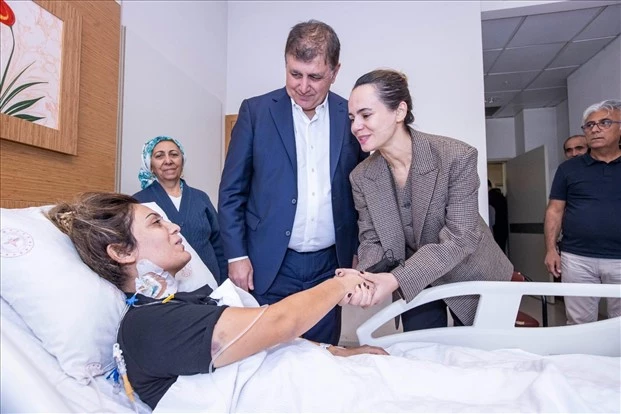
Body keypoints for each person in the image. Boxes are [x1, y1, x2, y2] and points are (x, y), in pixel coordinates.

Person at [47, 192, 386, 410]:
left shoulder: (183, 301)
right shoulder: (146, 326)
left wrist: (339, 352)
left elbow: (267, 338)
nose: (174, 227)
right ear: (122, 252)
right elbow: (278, 322)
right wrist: (342, 285)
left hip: (323, 380)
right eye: (156, 222)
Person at [218, 20, 366, 344]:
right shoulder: (256, 112)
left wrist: (359, 249)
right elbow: (231, 192)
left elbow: (364, 194)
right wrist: (236, 256)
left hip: (329, 265)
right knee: (266, 355)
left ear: (335, 72)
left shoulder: (350, 117)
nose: (303, 86)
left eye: (315, 76)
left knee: (322, 355)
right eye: (294, 73)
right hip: (268, 264)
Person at [343, 69, 513, 331]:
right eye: (352, 118)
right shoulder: (361, 177)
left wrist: (395, 279)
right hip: (416, 281)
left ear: (399, 111)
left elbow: (461, 238)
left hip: (472, 274)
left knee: (480, 353)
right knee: (420, 350)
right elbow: (372, 239)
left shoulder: (456, 157)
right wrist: (363, 278)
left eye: (366, 115)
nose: (356, 126)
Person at [544, 99, 621, 325]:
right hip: (577, 258)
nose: (595, 129)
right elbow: (555, 210)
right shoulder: (568, 169)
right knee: (579, 323)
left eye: (604, 123)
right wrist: (551, 249)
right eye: (589, 125)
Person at [133, 136, 227, 285]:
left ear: (182, 160)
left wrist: (224, 282)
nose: (168, 161)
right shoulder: (139, 202)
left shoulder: (200, 198)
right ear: (150, 165)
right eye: (159, 156)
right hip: (168, 288)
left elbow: (219, 243)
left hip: (211, 284)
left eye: (174, 154)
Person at [488, 179, 508, 252]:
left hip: (495, 229)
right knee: (502, 249)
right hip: (504, 227)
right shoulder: (501, 197)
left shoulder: (489, 198)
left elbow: (492, 219)